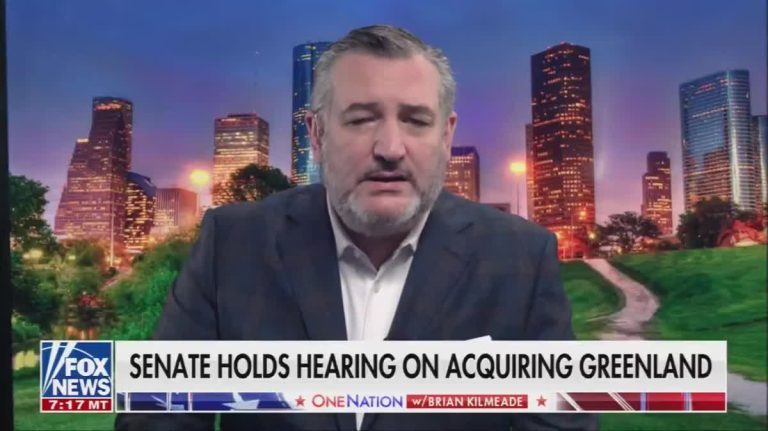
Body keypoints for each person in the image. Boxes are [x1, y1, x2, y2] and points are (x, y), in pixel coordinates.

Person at [116, 25, 598, 431]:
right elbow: (157, 414)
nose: (390, 148)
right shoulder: (232, 244)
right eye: (362, 119)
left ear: (446, 135)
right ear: (317, 134)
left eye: (416, 121)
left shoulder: (520, 258)